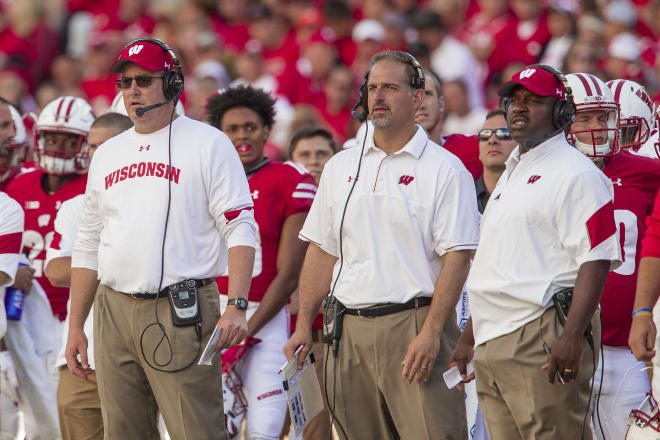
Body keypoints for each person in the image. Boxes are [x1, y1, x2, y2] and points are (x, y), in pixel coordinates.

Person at [65, 38, 257, 440]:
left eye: (144, 80)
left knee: (196, 431)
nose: (132, 90)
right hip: (114, 309)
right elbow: (88, 244)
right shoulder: (108, 153)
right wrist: (76, 325)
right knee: (123, 433)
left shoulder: (209, 143)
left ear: (172, 84)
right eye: (125, 81)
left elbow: (240, 226)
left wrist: (237, 303)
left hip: (181, 307)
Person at [284, 50, 480, 439]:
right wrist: (305, 322)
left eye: (390, 87)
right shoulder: (341, 166)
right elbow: (322, 249)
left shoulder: (445, 169)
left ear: (418, 97)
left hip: (416, 325)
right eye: (373, 87)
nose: (378, 96)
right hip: (347, 331)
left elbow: (457, 259)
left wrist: (431, 332)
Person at [450, 65, 621, 439]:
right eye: (514, 100)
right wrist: (468, 338)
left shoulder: (577, 172)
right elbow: (497, 261)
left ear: (562, 112)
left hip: (540, 334)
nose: (518, 108)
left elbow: (597, 256)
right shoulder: (512, 170)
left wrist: (572, 334)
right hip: (492, 340)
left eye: (534, 100)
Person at [205, 85, 315, 439]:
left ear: (267, 130)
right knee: (209, 426)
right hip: (210, 315)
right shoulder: (205, 180)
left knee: (266, 428)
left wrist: (246, 329)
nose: (242, 136)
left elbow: (289, 273)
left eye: (250, 127)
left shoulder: (289, 179)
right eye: (232, 129)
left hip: (264, 319)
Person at [564, 72, 660, 439]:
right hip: (565, 345)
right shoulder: (543, 173)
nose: (597, 128)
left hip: (626, 347)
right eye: (584, 117)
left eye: (604, 118)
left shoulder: (647, 172)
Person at [45, 112, 133, 440]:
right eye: (93, 146)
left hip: (139, 353)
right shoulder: (74, 206)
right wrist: (118, 260)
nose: (98, 154)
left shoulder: (159, 200)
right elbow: (55, 271)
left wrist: (87, 263)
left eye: (106, 145)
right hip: (81, 354)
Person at [6, 95, 92, 326]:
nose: (58, 149)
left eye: (69, 141)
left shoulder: (92, 186)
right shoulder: (20, 185)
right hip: (24, 308)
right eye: (51, 140)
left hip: (72, 311)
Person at [286, 125, 338, 439]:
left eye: (322, 154)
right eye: (304, 155)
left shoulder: (348, 202)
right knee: (303, 427)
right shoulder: (287, 205)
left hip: (342, 332)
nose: (314, 161)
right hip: (299, 333)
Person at [414, 68, 482, 180]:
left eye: (427, 94)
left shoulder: (474, 148)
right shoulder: (390, 159)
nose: (421, 105)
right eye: (414, 97)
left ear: (441, 104)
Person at [475, 109, 517, 213]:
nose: (492, 140)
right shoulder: (464, 195)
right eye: (485, 134)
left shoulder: (530, 192)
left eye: (503, 133)